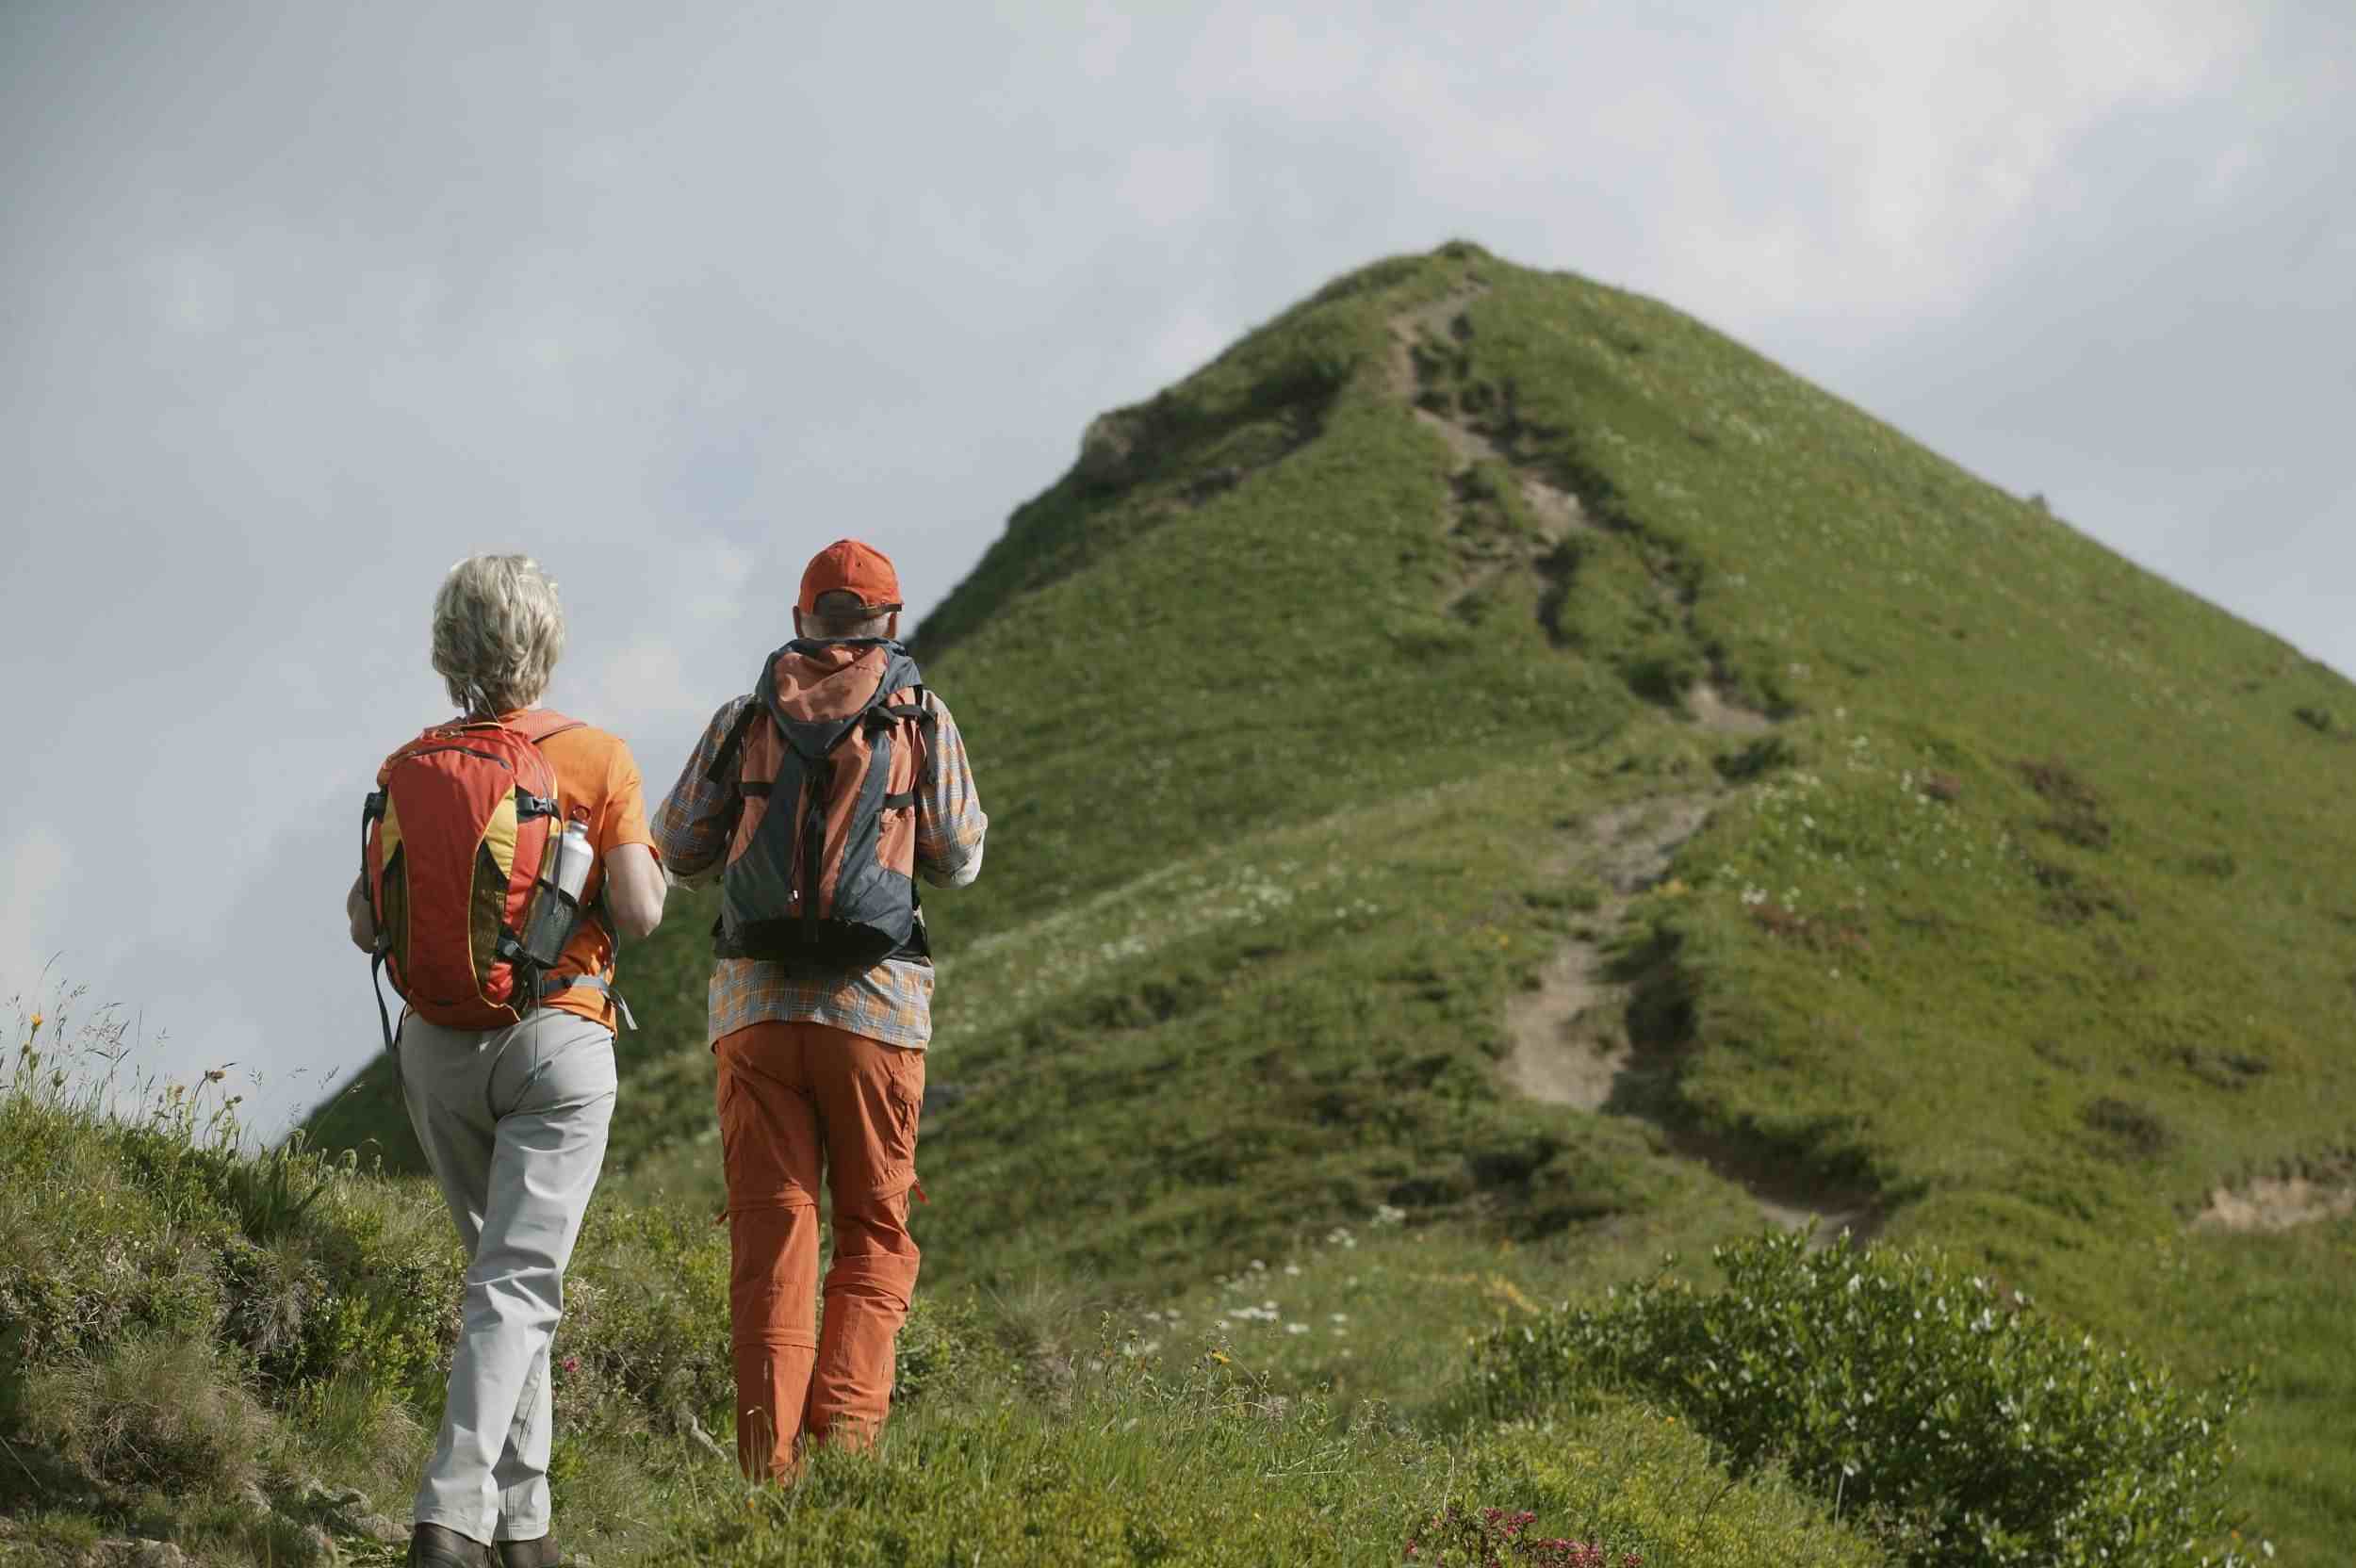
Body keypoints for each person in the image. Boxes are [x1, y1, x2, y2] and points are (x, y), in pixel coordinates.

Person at [346, 554, 666, 1568]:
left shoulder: (408, 766)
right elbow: (645, 912)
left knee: (505, 1285)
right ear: (545, 642)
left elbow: (365, 923)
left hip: (436, 1049)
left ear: (451, 650)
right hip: (555, 1042)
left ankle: (523, 1531)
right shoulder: (598, 758)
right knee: (518, 1287)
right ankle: (449, 1514)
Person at [654, 537, 986, 1482]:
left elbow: (677, 847)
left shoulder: (745, 713)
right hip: (876, 1009)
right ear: (889, 621)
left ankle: (769, 1479)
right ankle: (845, 1460)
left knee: (772, 1237)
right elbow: (960, 855)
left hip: (755, 1011)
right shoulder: (917, 714)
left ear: (802, 618)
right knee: (873, 1232)